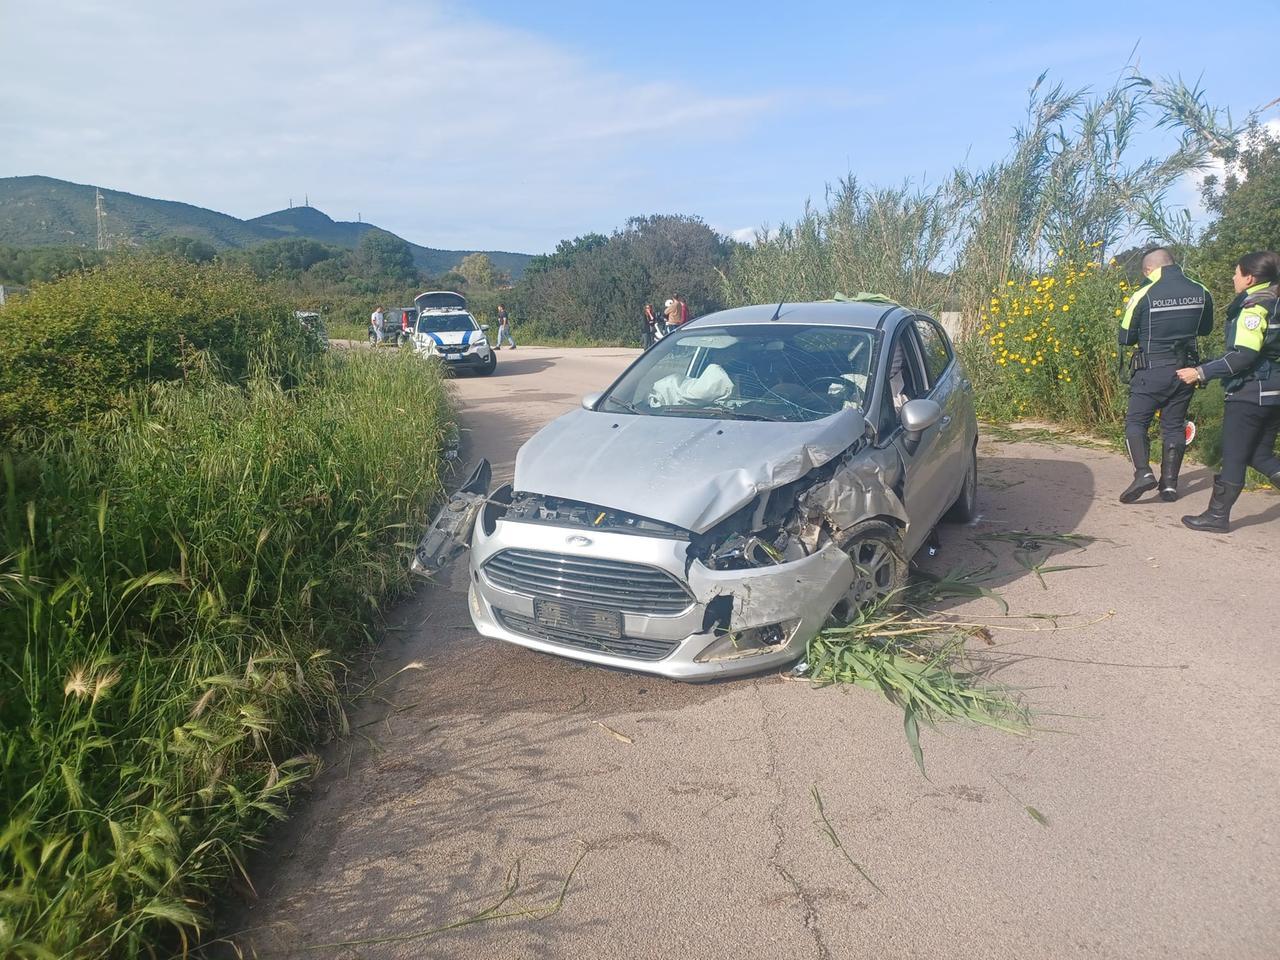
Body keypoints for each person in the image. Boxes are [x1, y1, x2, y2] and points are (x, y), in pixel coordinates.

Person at [1175, 251, 1280, 532]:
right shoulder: (1276, 301)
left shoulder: (1255, 307)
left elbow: (1243, 355)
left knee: (1233, 456)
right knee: (1260, 455)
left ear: (1250, 277)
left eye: (1237, 272)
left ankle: (1217, 517)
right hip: (1274, 393)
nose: (1233, 277)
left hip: (1250, 393)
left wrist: (1201, 372)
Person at [1117, 248, 1214, 503]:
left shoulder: (1144, 293)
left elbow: (1125, 337)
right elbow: (1205, 329)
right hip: (1186, 371)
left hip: (1151, 370)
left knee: (1136, 422)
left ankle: (1143, 473)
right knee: (1173, 425)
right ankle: (1169, 485)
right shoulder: (1200, 290)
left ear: (1148, 270)